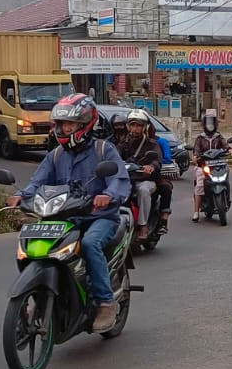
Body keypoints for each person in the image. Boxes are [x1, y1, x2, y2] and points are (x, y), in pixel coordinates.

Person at [9, 93, 130, 331]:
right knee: (32, 245)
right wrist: (22, 195)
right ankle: (36, 294)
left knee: (90, 244)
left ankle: (106, 303)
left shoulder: (103, 150)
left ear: (85, 124)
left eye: (70, 124)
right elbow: (38, 181)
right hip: (64, 217)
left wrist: (108, 196)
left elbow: (119, 179)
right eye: (62, 124)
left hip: (99, 218)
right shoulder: (56, 156)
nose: (64, 129)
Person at [117, 108, 163, 239]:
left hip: (144, 179)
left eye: (139, 125)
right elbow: (114, 157)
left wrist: (151, 166)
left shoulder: (151, 144)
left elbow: (157, 159)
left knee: (143, 190)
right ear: (128, 126)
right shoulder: (123, 144)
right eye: (132, 125)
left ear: (145, 127)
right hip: (126, 180)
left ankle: (143, 225)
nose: (135, 128)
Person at [191, 109, 227, 222]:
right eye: (208, 123)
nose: (210, 125)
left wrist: (229, 150)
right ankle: (196, 211)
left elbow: (226, 146)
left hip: (218, 165)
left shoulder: (219, 137)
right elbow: (196, 151)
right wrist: (196, 156)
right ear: (204, 124)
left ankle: (226, 197)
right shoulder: (200, 138)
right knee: (200, 186)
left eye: (212, 123)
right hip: (203, 166)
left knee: (226, 178)